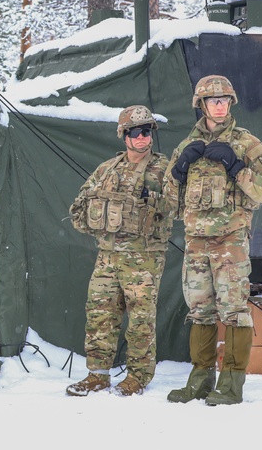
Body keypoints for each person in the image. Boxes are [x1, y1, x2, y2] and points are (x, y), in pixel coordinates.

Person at [164, 75, 262, 406]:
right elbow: (169, 206)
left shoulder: (247, 144)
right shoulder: (186, 148)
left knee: (234, 312)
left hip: (231, 243)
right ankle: (200, 381)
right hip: (196, 243)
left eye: (225, 100)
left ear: (231, 104)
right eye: (213, 100)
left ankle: (231, 384)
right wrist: (179, 171)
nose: (219, 105)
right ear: (200, 105)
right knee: (200, 311)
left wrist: (235, 165)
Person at [65, 106, 174, 397]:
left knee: (140, 319)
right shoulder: (107, 169)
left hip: (144, 256)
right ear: (124, 136)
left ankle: (138, 376)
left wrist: (153, 200)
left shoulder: (163, 169)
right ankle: (97, 375)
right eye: (135, 132)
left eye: (147, 131)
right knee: (100, 314)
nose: (142, 137)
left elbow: (178, 207)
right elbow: (80, 206)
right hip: (107, 256)